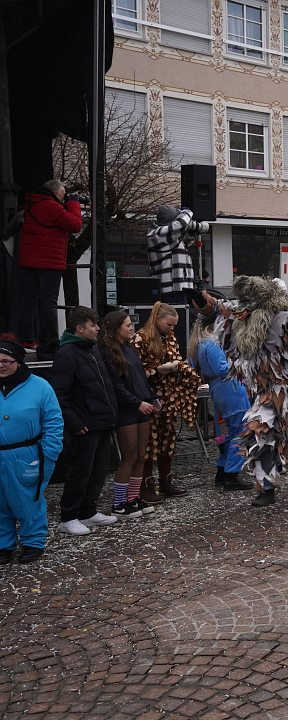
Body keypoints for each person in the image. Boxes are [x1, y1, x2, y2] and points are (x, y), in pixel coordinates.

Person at [202, 277, 288, 506]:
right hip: (257, 388)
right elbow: (221, 311)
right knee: (281, 434)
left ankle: (266, 489)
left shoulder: (280, 318)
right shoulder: (242, 320)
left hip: (278, 389)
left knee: (260, 429)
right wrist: (202, 299)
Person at [50, 307, 120, 535]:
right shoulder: (67, 354)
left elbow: (104, 384)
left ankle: (88, 511)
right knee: (79, 471)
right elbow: (60, 394)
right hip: (84, 426)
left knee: (98, 471)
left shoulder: (93, 350)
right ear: (79, 328)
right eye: (93, 325)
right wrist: (75, 423)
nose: (98, 328)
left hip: (102, 422)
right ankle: (68, 516)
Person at [0, 340, 63, 563]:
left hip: (28, 453)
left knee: (29, 499)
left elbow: (53, 422)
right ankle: (3, 544)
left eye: (6, 361)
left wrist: (50, 453)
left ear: (18, 362)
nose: (1, 365)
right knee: (0, 502)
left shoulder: (39, 386)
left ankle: (33, 541)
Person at [133, 302, 201, 501]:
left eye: (174, 325)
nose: (172, 329)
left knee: (168, 440)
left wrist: (180, 369)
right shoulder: (140, 338)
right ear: (157, 319)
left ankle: (166, 482)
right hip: (149, 398)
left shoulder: (170, 338)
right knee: (149, 443)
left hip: (169, 398)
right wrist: (157, 370)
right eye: (169, 325)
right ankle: (146, 485)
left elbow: (177, 360)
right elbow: (134, 373)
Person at [15, 180, 84, 359]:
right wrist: (74, 202)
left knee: (28, 301)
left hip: (28, 261)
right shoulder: (52, 207)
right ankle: (51, 342)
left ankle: (27, 340)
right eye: (63, 193)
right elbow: (76, 224)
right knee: (48, 303)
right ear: (55, 191)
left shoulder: (32, 205)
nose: (64, 196)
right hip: (49, 263)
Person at [100, 310, 159, 517]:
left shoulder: (130, 349)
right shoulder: (108, 352)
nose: (131, 328)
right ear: (116, 329)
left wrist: (152, 398)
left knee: (141, 456)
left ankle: (133, 498)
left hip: (143, 406)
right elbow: (117, 386)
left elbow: (141, 378)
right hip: (127, 410)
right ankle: (118, 503)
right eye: (127, 325)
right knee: (129, 456)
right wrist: (137, 403)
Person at [188, 312, 253, 491]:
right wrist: (238, 362)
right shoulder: (211, 344)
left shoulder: (200, 344)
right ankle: (232, 473)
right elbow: (222, 369)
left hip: (220, 389)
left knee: (231, 431)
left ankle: (223, 472)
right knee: (240, 431)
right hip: (229, 388)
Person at [147, 206, 206, 302]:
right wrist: (187, 211)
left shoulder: (169, 237)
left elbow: (183, 244)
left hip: (181, 289)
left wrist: (191, 234)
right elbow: (181, 224)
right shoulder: (156, 235)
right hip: (170, 292)